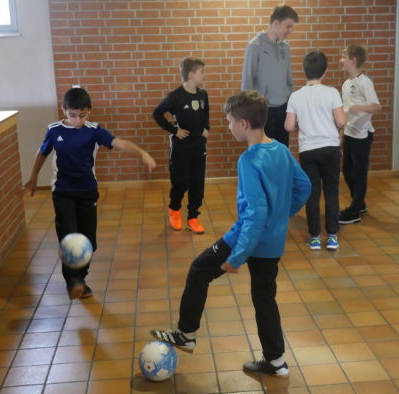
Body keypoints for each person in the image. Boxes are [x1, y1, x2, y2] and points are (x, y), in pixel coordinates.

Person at [150, 91, 311, 377]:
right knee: (265, 298)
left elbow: (255, 214)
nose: (227, 127)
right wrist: (280, 216)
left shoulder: (249, 160)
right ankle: (276, 361)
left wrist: (239, 255)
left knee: (199, 270)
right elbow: (304, 188)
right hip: (272, 242)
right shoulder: (282, 151)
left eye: (229, 122)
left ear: (244, 125)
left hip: (246, 238)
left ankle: (186, 333)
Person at [23, 87, 156, 299]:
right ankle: (73, 280)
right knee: (69, 236)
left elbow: (118, 143)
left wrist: (141, 153)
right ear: (63, 110)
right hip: (63, 192)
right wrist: (33, 178)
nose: (77, 120)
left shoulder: (94, 130)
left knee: (88, 242)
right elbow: (42, 153)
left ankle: (81, 278)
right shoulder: (54, 130)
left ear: (89, 111)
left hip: (87, 192)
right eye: (72, 115)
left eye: (82, 115)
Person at [285, 51, 346, 250]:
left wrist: (299, 125)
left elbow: (288, 126)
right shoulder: (332, 92)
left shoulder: (295, 96)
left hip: (308, 150)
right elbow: (341, 121)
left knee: (312, 193)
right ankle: (333, 236)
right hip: (330, 148)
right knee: (331, 191)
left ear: (304, 71)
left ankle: (314, 237)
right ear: (325, 71)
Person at [153, 57, 209, 233]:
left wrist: (206, 127)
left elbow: (206, 111)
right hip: (181, 148)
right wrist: (173, 130)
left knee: (197, 184)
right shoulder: (175, 97)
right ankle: (174, 209)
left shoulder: (202, 94)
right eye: (202, 72)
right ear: (191, 75)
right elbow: (157, 114)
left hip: (199, 146)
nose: (204, 75)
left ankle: (193, 217)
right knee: (181, 182)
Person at [242, 5, 298, 146]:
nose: (290, 31)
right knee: (265, 153)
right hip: (263, 111)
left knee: (282, 151)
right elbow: (247, 82)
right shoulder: (255, 46)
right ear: (275, 23)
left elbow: (288, 81)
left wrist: (292, 108)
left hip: (283, 110)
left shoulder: (285, 47)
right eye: (288, 26)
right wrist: (248, 114)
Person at [338, 45, 382, 224]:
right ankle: (360, 203)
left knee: (359, 173)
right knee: (347, 171)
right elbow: (345, 113)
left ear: (353, 60)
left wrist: (360, 107)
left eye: (343, 56)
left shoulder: (365, 82)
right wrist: (341, 136)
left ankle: (354, 210)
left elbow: (377, 106)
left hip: (362, 136)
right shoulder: (346, 84)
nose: (341, 60)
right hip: (349, 134)